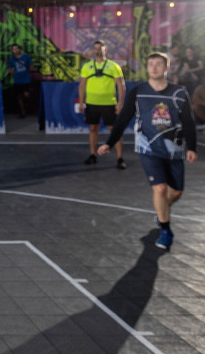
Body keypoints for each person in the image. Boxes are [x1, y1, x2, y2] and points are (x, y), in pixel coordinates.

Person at [98, 53, 198, 251]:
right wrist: (109, 142)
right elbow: (124, 118)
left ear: (166, 67)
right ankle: (166, 230)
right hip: (148, 147)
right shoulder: (138, 91)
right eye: (150, 64)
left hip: (173, 149)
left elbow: (188, 122)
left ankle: (162, 212)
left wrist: (192, 148)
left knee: (176, 192)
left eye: (158, 64)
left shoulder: (179, 93)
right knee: (159, 189)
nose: (153, 68)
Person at [78, 40, 126, 169]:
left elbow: (121, 85)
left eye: (100, 48)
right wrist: (82, 102)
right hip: (92, 103)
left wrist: (120, 102)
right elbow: (82, 85)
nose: (98, 50)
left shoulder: (113, 66)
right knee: (93, 129)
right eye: (95, 48)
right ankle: (93, 155)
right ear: (93, 50)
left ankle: (120, 158)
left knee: (114, 131)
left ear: (106, 50)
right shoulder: (87, 66)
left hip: (109, 104)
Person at [3, 44, 34, 118]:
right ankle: (23, 112)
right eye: (14, 49)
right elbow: (9, 68)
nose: (15, 50)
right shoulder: (12, 59)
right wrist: (14, 73)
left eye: (16, 49)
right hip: (17, 81)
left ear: (19, 49)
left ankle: (31, 110)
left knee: (26, 95)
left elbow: (31, 66)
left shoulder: (26, 57)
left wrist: (27, 73)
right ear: (12, 51)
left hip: (26, 80)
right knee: (19, 96)